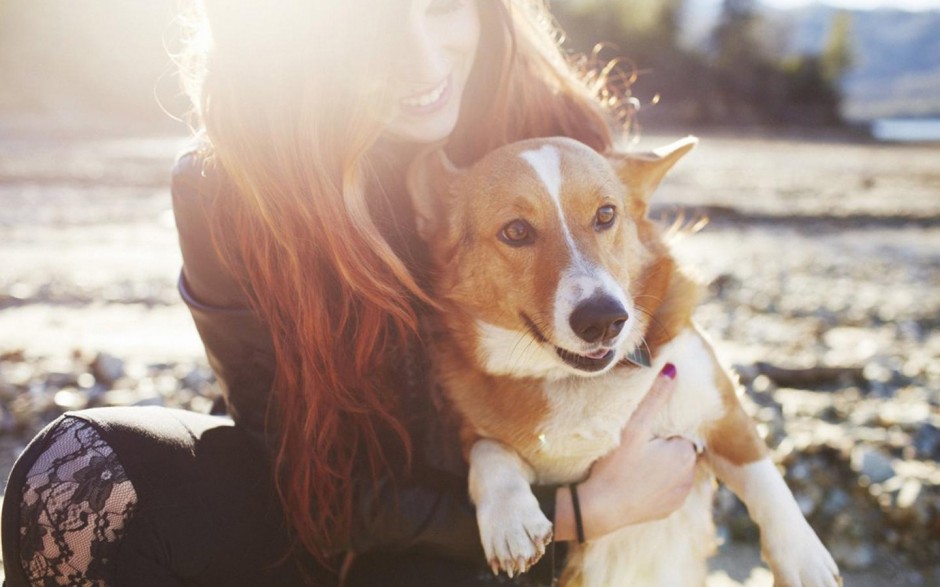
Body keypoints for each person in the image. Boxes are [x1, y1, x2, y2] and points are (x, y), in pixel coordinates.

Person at [1, 1, 699, 585]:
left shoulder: (555, 146)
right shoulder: (230, 189)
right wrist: (582, 509)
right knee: (75, 473)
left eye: (442, 4)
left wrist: (596, 499)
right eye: (374, 28)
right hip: (313, 522)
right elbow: (308, 484)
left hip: (503, 541)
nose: (423, 64)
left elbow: (651, 346)